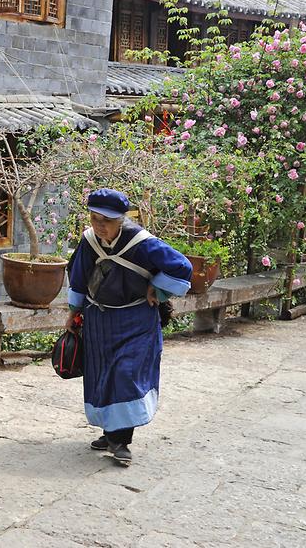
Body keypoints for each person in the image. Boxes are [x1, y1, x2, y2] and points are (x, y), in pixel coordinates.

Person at [65, 189, 192, 467]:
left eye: (106, 220)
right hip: (98, 320)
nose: (99, 225)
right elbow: (78, 277)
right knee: (101, 375)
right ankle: (110, 432)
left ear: (121, 219)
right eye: (95, 218)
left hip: (135, 321)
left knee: (125, 373)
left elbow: (182, 267)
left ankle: (121, 441)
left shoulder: (142, 243)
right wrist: (73, 314)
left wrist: (158, 289)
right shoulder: (89, 241)